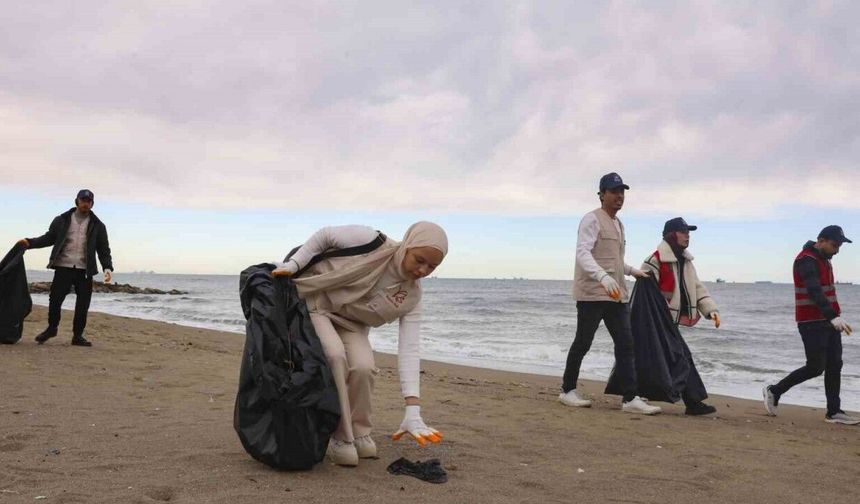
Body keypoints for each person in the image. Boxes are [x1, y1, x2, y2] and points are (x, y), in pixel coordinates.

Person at [272, 222, 447, 466]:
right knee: (335, 356)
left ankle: (360, 431)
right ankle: (341, 437)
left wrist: (413, 408)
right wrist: (294, 265)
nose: (422, 270)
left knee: (364, 367)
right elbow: (325, 235)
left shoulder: (412, 297)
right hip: (317, 306)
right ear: (407, 245)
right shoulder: (370, 242)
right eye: (419, 260)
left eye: (432, 266)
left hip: (352, 324)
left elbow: (409, 348)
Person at [559, 173, 661, 415]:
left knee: (626, 344)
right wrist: (602, 277)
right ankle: (567, 390)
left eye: (622, 192)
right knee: (583, 342)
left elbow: (615, 260)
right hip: (592, 294)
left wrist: (632, 271)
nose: (619, 196)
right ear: (602, 194)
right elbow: (583, 254)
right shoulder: (591, 220)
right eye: (614, 192)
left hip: (616, 296)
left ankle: (630, 398)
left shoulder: (619, 224)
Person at [764, 226, 859, 425]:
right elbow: (815, 291)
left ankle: (834, 412)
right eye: (835, 245)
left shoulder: (824, 260)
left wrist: (835, 318)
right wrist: (833, 316)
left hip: (829, 321)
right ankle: (774, 390)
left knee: (835, 365)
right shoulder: (806, 260)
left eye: (839, 246)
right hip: (811, 323)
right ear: (821, 240)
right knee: (816, 367)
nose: (837, 250)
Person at [641, 217, 720, 415]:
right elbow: (645, 297)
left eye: (689, 232)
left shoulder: (686, 262)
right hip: (656, 323)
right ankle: (691, 402)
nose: (688, 236)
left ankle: (689, 401)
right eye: (683, 231)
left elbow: (696, 287)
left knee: (671, 359)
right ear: (671, 234)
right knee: (680, 358)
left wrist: (711, 310)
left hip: (669, 323)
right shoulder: (654, 261)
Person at [17, 189, 113, 347]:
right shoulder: (61, 220)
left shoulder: (98, 225)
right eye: (83, 200)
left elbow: (103, 249)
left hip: (85, 270)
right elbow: (49, 238)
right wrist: (29, 243)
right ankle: (52, 328)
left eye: (88, 201)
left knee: (83, 304)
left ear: (92, 204)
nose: (85, 203)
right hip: (63, 266)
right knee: (55, 300)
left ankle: (77, 336)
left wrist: (107, 268)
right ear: (77, 201)